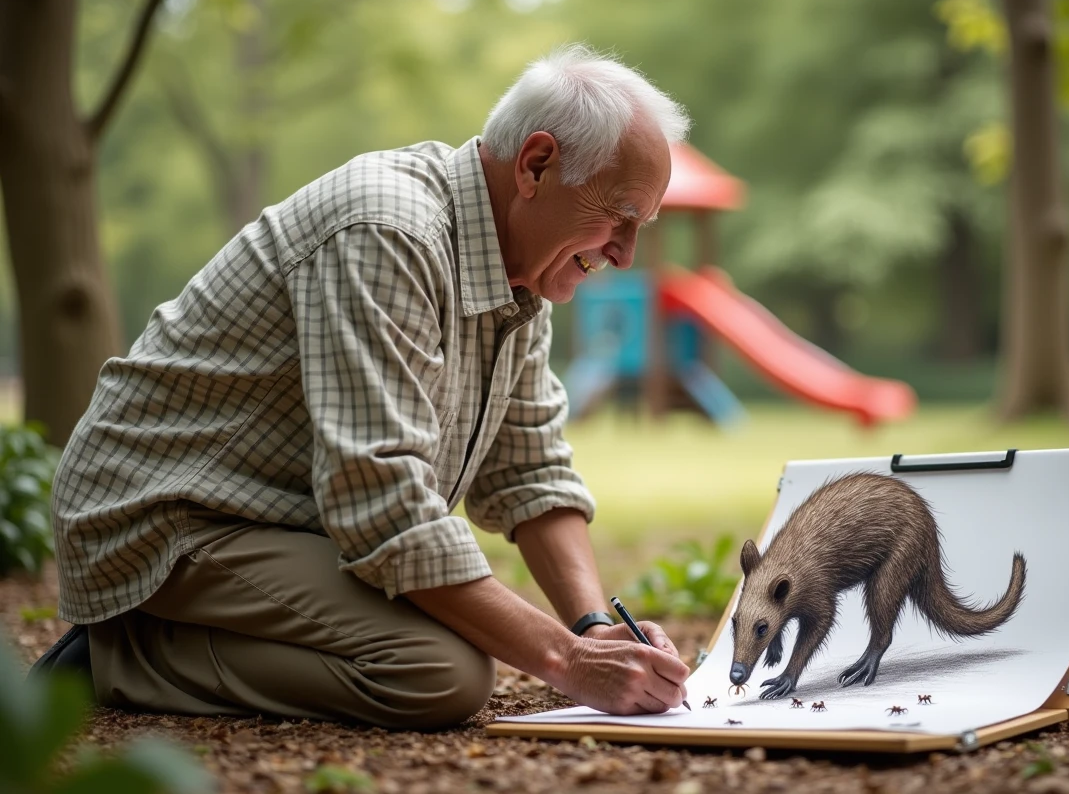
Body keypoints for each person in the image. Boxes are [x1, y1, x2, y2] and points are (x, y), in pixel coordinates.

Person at [30, 44, 693, 730]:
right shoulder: (387, 228)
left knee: (454, 650)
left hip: (270, 519)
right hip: (162, 517)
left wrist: (587, 627)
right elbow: (380, 500)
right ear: (536, 165)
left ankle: (170, 648)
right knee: (438, 672)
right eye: (619, 217)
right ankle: (117, 656)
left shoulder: (521, 275)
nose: (625, 253)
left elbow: (530, 470)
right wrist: (565, 661)